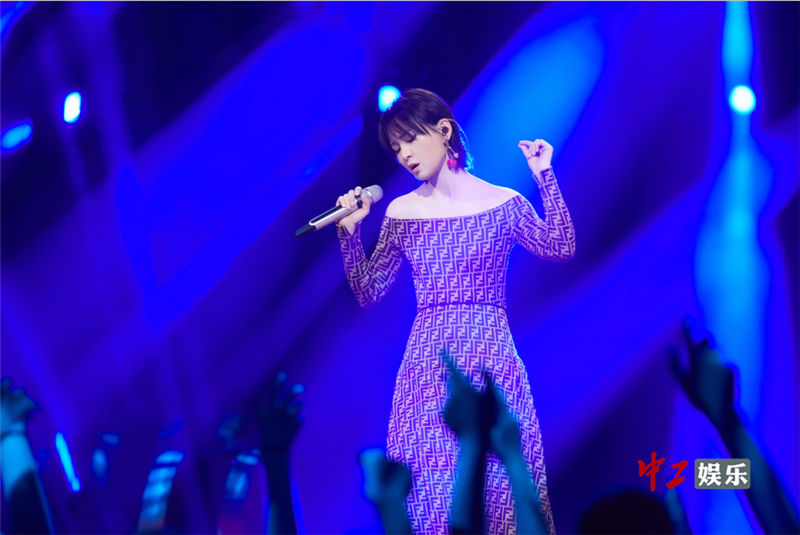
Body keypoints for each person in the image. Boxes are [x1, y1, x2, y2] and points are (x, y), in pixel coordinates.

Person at [334, 88, 575, 535]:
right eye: (396, 147)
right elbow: (369, 291)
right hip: (428, 367)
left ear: (443, 130)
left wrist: (544, 175)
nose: (404, 154)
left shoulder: (503, 203)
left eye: (410, 139)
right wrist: (349, 236)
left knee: (501, 488)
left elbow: (559, 246)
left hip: (490, 358)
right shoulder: (402, 211)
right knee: (431, 494)